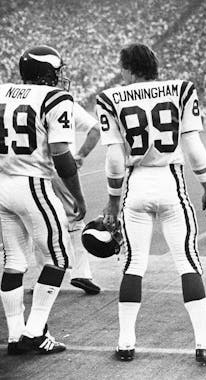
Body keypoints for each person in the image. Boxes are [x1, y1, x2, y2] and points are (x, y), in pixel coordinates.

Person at [95, 43, 206, 365]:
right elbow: (193, 144)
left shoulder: (110, 98)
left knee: (133, 263)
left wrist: (113, 200)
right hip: (171, 181)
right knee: (187, 261)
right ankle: (204, 344)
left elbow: (114, 158)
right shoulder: (180, 89)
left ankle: (126, 343)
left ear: (129, 68)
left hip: (136, 184)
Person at [0, 45, 86, 355]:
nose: (61, 76)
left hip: (2, 184)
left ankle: (14, 336)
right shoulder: (55, 98)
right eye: (57, 71)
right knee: (60, 259)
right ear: (47, 73)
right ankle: (34, 332)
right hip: (31, 184)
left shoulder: (3, 92)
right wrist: (76, 196)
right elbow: (62, 156)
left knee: (14, 262)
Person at [32, 103, 102, 295]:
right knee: (75, 218)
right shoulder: (61, 101)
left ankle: (41, 275)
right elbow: (95, 129)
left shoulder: (19, 98)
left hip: (27, 170)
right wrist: (80, 156)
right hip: (58, 166)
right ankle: (81, 273)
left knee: (36, 219)